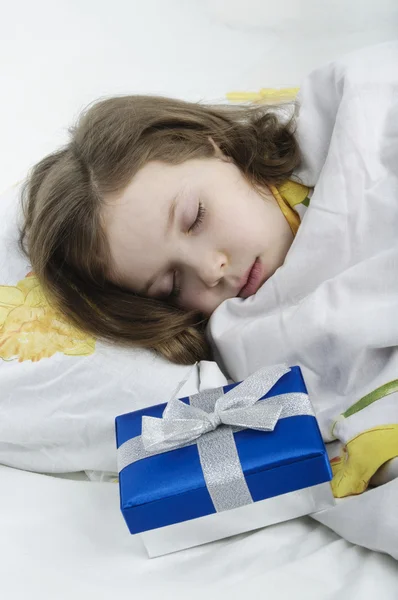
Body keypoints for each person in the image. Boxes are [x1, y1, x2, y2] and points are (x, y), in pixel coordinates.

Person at [20, 95, 310, 364]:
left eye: (195, 218)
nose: (211, 271)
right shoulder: (245, 348)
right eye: (172, 286)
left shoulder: (341, 134)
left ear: (216, 148)